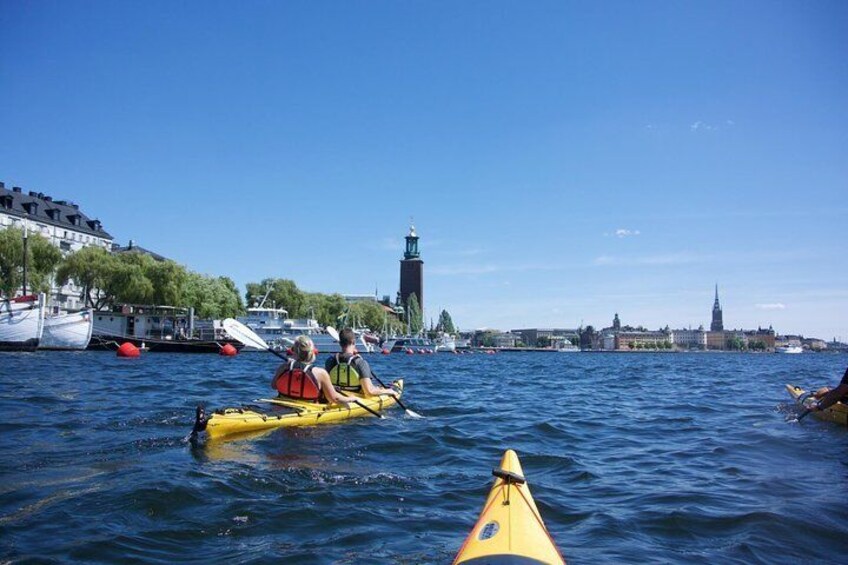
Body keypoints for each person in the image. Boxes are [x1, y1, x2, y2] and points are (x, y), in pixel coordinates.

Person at [271, 335, 358, 406]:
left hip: (282, 405)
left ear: (294, 351)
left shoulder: (284, 367)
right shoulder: (320, 373)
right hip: (309, 409)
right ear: (312, 352)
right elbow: (334, 398)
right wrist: (351, 399)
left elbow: (274, 386)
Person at [326, 328, 397, 396]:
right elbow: (369, 391)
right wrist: (388, 391)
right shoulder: (360, 363)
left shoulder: (330, 361)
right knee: (375, 387)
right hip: (356, 397)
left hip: (336, 395)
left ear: (340, 343)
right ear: (354, 342)